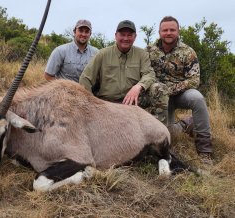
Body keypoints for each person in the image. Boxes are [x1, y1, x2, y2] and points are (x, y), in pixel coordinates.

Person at [146, 16, 213, 162]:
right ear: (159, 32)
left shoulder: (188, 52)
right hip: (159, 98)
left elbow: (194, 80)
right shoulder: (149, 50)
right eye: (165, 30)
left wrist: (171, 90)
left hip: (181, 94)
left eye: (172, 30)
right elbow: (144, 73)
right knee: (169, 133)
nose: (168, 33)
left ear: (178, 31)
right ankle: (185, 124)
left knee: (198, 98)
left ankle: (205, 150)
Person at [79, 20, 169, 123]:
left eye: (129, 35)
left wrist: (138, 86)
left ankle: (159, 132)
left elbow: (149, 74)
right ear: (116, 35)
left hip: (133, 101)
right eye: (122, 35)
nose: (126, 38)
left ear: (135, 37)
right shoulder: (102, 54)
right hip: (106, 102)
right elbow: (85, 78)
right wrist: (91, 103)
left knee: (160, 89)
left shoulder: (142, 54)